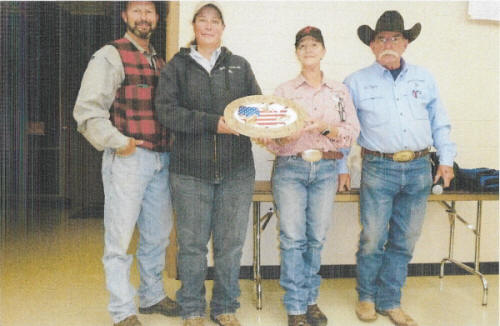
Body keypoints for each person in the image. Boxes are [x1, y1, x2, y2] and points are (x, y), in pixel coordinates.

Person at [344, 11, 456, 326]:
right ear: (372, 45)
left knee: (405, 239)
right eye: (381, 38)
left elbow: (440, 121)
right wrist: (341, 166)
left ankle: (391, 301)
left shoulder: (426, 78)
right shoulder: (355, 82)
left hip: (420, 167)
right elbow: (345, 130)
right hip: (378, 168)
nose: (388, 43)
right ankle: (366, 297)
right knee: (373, 237)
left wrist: (446, 159)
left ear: (405, 43)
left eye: (395, 38)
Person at [73, 2, 180, 326]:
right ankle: (122, 310)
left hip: (161, 161)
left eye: (149, 11)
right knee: (119, 240)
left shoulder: (159, 60)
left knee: (157, 236)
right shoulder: (110, 55)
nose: (144, 17)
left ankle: (151, 296)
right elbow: (88, 112)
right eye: (137, 10)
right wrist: (120, 143)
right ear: (125, 16)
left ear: (157, 18)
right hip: (129, 161)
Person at [154, 2, 261, 326]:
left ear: (222, 28)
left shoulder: (240, 66)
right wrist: (212, 123)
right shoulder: (176, 67)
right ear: (194, 26)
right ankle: (192, 309)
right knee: (191, 246)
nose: (209, 26)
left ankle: (225, 307)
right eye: (203, 20)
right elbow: (166, 111)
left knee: (230, 246)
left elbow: (254, 108)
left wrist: (271, 126)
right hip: (190, 173)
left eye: (215, 21)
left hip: (237, 172)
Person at [261, 26, 360, 326]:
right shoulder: (284, 92)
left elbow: (351, 134)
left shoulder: (339, 91)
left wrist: (323, 129)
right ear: (296, 53)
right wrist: (283, 134)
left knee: (316, 239)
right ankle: (295, 308)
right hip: (291, 168)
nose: (308, 50)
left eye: (314, 44)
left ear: (324, 50)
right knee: (292, 239)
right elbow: (268, 137)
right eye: (302, 45)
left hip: (327, 169)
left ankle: (310, 301)